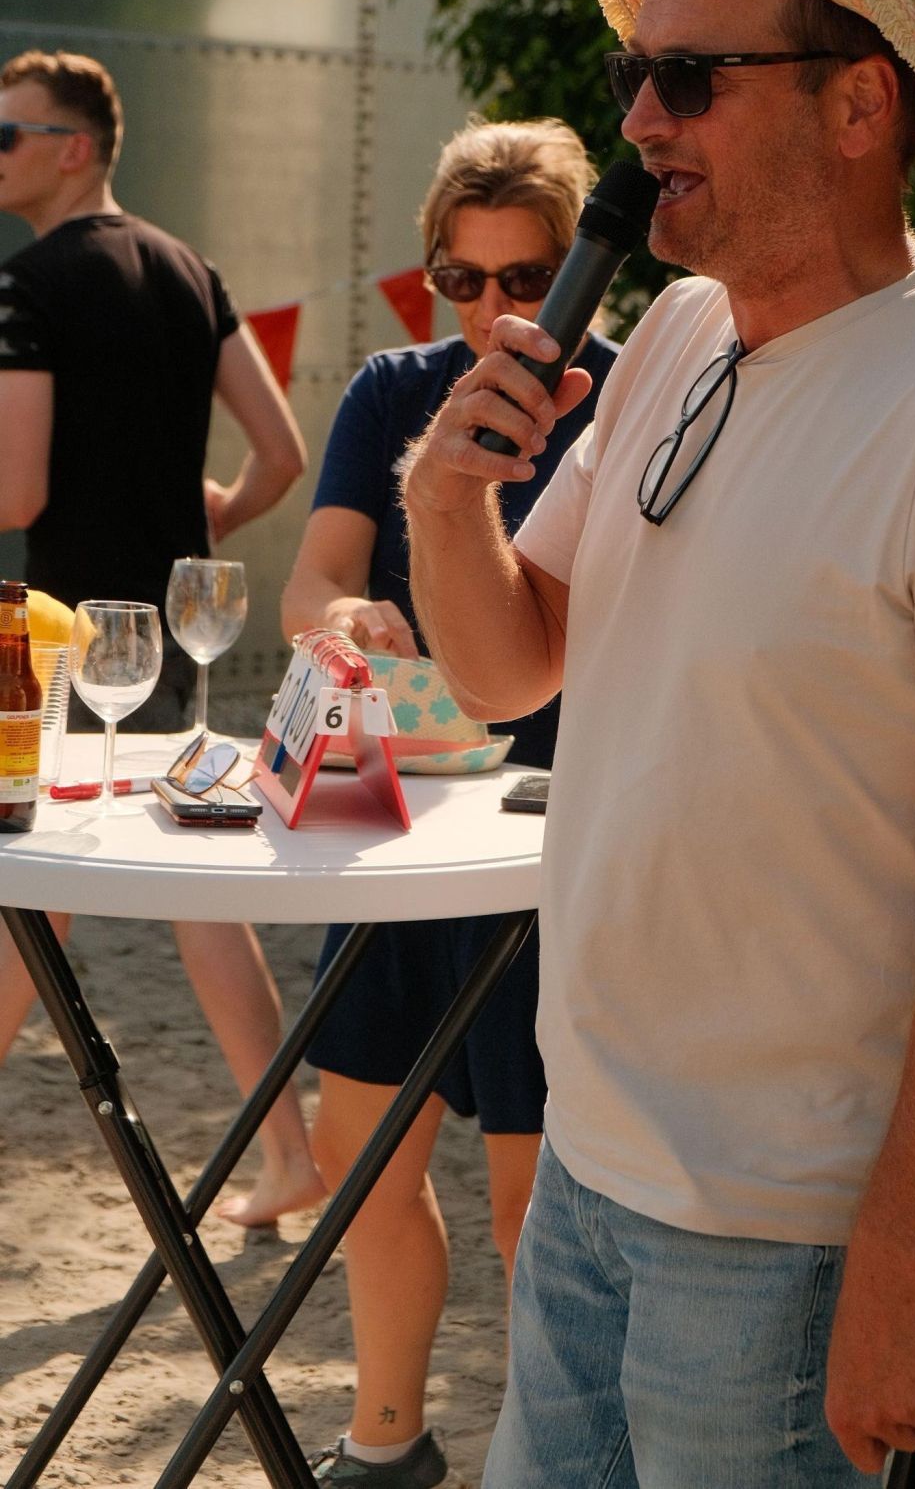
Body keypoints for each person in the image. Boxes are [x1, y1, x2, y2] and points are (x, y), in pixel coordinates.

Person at [400, 0, 915, 1487]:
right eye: (635, 71)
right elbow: (511, 672)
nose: (640, 121)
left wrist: (892, 1268)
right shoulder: (673, 331)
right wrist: (447, 500)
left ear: (860, 107)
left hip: (786, 1242)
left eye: (689, 76)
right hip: (588, 1170)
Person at [281, 116, 618, 1489]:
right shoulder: (390, 389)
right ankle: (387, 1437)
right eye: (460, 279)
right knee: (354, 1149)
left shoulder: (626, 396)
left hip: (555, 840)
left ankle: (547, 1453)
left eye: (527, 277)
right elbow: (312, 583)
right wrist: (342, 617)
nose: (491, 309)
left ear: (582, 274)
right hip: (402, 813)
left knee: (534, 1196)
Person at [0, 47, 321, 1230]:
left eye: (8, 133)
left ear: (72, 147)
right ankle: (287, 1155)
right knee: (191, 889)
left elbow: (17, 496)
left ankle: (289, 1159)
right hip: (176, 637)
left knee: (30, 896)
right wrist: (208, 520)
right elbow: (280, 454)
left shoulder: (29, 286)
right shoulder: (192, 272)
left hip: (67, 634)